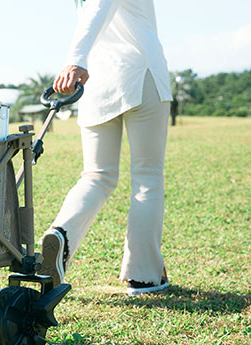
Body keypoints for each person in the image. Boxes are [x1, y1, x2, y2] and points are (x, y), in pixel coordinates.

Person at [40, 0, 172, 296]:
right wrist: (75, 60)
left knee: (96, 176)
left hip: (97, 85)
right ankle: (145, 277)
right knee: (147, 179)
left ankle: (61, 234)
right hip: (141, 73)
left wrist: (78, 61)